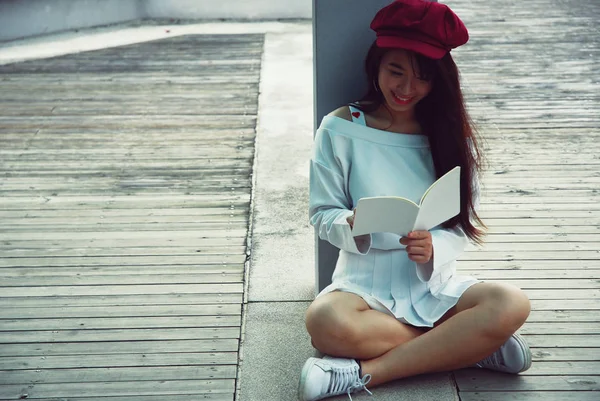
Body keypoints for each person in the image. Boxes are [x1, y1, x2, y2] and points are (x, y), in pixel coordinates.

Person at [298, 1, 532, 400]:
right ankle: (469, 345)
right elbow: (322, 213)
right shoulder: (339, 128)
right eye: (396, 72)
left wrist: (433, 246)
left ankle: (364, 375)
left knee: (511, 303)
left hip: (434, 284)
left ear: (438, 81)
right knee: (324, 321)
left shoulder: (447, 133)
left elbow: (459, 226)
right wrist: (349, 225)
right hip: (361, 286)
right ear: (376, 65)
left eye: (422, 78)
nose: (406, 89)